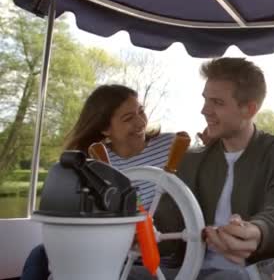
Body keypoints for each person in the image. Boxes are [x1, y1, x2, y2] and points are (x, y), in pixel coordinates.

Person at [137, 58, 274, 280]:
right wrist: (133, 231)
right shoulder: (191, 160)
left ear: (249, 109)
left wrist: (258, 231)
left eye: (217, 102)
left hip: (263, 272)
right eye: (205, 100)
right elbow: (166, 230)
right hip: (192, 270)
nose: (204, 110)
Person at [21, 84, 176, 280]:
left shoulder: (170, 146)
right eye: (128, 118)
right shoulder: (92, 163)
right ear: (104, 129)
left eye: (141, 111)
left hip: (157, 245)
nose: (140, 122)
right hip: (110, 244)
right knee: (39, 254)